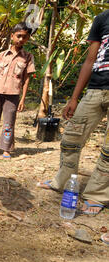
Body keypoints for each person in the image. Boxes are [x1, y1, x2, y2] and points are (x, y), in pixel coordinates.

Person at [37, 10, 108, 215]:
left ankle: (97, 195)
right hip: (95, 89)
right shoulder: (102, 19)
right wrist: (74, 98)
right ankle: (64, 180)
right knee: (70, 138)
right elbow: (90, 60)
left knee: (108, 151)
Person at [0, 22, 35, 159]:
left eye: (24, 37)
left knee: (9, 122)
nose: (21, 39)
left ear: (27, 38)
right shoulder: (1, 56)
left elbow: (26, 80)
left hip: (13, 95)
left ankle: (6, 148)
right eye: (18, 36)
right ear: (12, 36)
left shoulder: (28, 57)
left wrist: (23, 99)